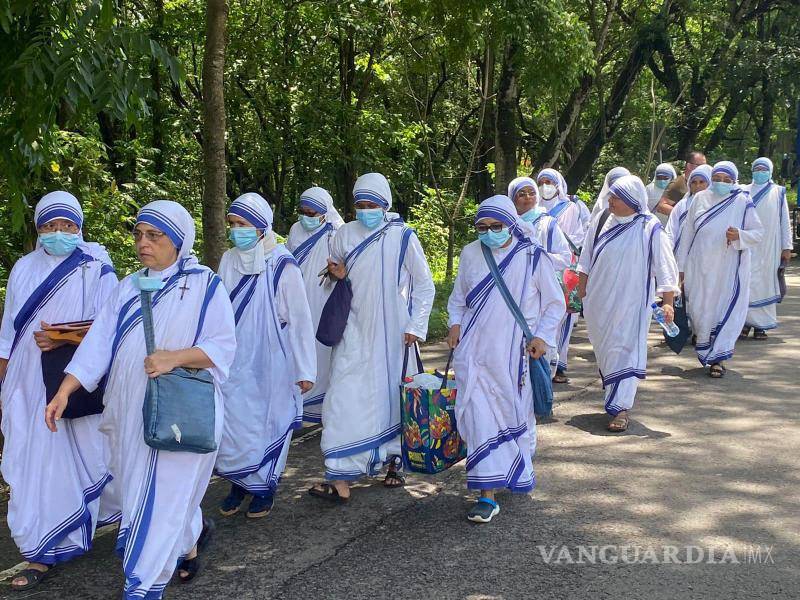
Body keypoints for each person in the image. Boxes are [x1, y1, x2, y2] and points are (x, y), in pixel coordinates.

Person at [46, 200, 237, 597]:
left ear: (178, 241)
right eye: (138, 235)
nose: (143, 243)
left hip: (183, 413)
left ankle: (143, 585)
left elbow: (223, 347)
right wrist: (65, 390)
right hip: (130, 411)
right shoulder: (128, 287)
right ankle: (189, 541)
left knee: (162, 496)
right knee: (150, 494)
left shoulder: (205, 285)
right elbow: (97, 346)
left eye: (154, 235)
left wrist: (174, 358)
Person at [0, 191, 117, 591]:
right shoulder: (23, 268)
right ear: (39, 229)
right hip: (26, 382)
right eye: (50, 225)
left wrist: (63, 338)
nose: (59, 232)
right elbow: (8, 334)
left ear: (79, 227)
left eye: (68, 225)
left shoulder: (95, 265)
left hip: (76, 379)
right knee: (30, 459)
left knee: (86, 453)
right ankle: (39, 549)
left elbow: (112, 325)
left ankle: (118, 522)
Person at [308, 173, 435, 503]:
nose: (366, 210)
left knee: (391, 398)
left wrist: (416, 325)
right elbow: (334, 276)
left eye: (372, 204)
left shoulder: (402, 236)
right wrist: (338, 275)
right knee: (342, 397)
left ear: (385, 204)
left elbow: (424, 284)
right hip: (353, 328)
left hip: (394, 334)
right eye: (360, 205)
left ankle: (394, 462)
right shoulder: (344, 234)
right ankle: (340, 472)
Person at [446, 194, 564, 522]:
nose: (489, 232)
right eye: (482, 227)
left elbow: (555, 303)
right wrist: (454, 325)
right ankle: (486, 494)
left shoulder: (532, 257)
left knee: (514, 416)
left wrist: (542, 337)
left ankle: (512, 469)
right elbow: (458, 298)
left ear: (511, 223)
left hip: (514, 357)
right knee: (478, 417)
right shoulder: (471, 253)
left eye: (496, 226)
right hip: (473, 353)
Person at [215, 193, 316, 519]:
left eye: (243, 224)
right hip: (234, 359)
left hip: (272, 358)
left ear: (261, 227)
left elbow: (300, 319)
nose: (236, 230)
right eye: (233, 224)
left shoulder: (282, 263)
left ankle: (264, 488)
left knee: (268, 421)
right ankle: (238, 483)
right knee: (235, 423)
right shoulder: (229, 259)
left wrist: (305, 369)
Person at [577, 175, 680, 432]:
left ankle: (620, 408)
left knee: (625, 350)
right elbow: (586, 258)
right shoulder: (601, 220)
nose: (610, 201)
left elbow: (665, 267)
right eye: (611, 196)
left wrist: (668, 302)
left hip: (632, 305)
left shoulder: (650, 227)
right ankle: (614, 397)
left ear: (633, 201)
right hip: (598, 303)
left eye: (617, 197)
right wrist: (582, 291)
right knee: (606, 351)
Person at [675, 161, 764, 377]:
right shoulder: (699, 199)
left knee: (724, 310)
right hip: (700, 266)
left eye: (726, 180)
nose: (721, 183)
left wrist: (739, 235)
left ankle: (718, 359)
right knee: (699, 311)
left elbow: (758, 233)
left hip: (729, 268)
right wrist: (681, 267)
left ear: (734, 181)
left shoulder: (742, 200)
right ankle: (706, 348)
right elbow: (687, 234)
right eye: (717, 179)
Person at [286, 187, 344, 423]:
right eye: (303, 211)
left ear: (324, 213)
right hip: (297, 299)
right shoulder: (295, 230)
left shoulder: (337, 233)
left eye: (311, 213)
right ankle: (296, 407)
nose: (306, 217)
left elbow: (345, 269)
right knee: (296, 348)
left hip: (323, 301)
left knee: (321, 353)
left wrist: (334, 273)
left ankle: (321, 410)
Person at [536, 168, 585, 383]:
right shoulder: (534, 208)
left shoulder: (570, 208)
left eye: (549, 182)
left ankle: (559, 364)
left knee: (562, 318)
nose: (544, 186)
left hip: (563, 269)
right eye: (541, 182)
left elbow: (579, 236)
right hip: (538, 270)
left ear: (558, 185)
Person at [741, 157, 793, 338]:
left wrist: (786, 247)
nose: (760, 172)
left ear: (770, 172)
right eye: (757, 169)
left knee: (765, 284)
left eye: (764, 169)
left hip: (770, 247)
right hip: (747, 244)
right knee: (746, 283)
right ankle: (744, 323)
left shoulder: (778, 192)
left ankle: (761, 326)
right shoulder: (743, 190)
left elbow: (784, 221)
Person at [507, 176, 572, 270]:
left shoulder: (547, 224)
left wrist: (536, 256)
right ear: (512, 198)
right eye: (521, 194)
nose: (528, 197)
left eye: (532, 193)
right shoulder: (506, 225)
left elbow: (565, 258)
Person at [665, 164, 713, 252]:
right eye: (694, 182)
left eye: (702, 182)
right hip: (680, 254)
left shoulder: (714, 206)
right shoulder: (682, 205)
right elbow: (671, 230)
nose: (697, 186)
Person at [656, 151, 707, 218]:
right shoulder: (678, 184)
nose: (704, 168)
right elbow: (661, 206)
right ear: (689, 166)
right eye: (701, 166)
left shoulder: (706, 182)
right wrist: (685, 215)